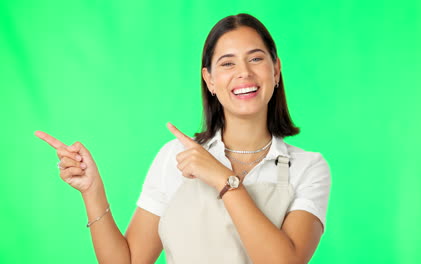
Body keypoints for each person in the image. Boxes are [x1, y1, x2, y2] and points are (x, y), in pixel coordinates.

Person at [35, 13, 330, 264]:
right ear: (210, 80)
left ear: (276, 70)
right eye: (227, 63)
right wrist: (92, 191)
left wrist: (224, 180)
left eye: (256, 58)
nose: (244, 73)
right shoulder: (175, 157)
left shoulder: (307, 167)